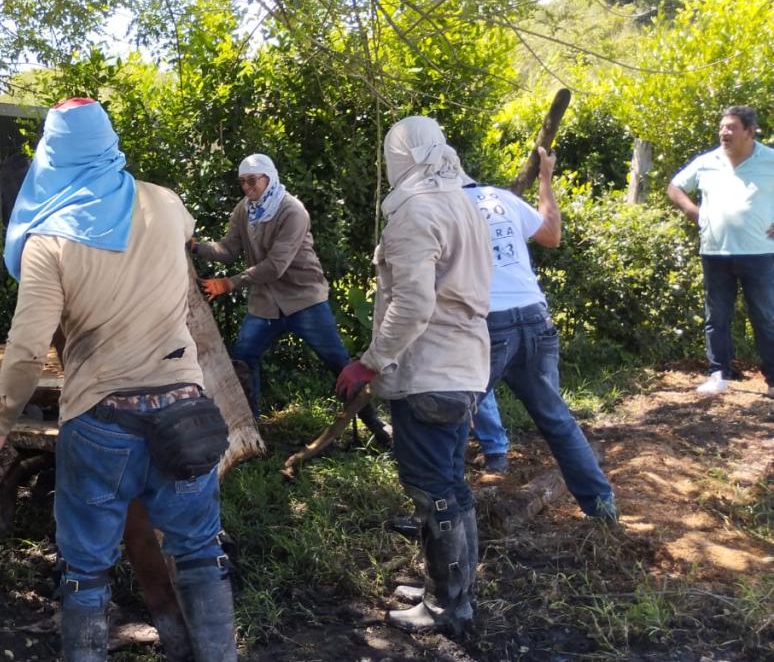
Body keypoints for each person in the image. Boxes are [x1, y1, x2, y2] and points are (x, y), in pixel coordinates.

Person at [0, 99, 236, 661]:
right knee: (200, 552)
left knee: (86, 567)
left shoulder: (48, 241)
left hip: (100, 420)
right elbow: (186, 238)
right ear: (108, 142)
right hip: (184, 409)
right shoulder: (166, 204)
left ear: (52, 154)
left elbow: (26, 348)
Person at [334, 116, 491, 636]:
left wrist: (370, 360)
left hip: (428, 370)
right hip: (465, 368)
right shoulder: (464, 204)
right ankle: (449, 589)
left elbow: (414, 302)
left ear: (399, 156)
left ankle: (449, 607)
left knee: (434, 491)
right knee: (451, 485)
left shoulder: (415, 213)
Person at [462, 148, 618, 521]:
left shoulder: (446, 206)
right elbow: (551, 234)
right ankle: (602, 507)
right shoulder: (502, 198)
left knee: (453, 419)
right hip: (535, 318)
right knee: (556, 418)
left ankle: (443, 515)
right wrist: (546, 180)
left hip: (488, 324)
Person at [192, 154, 390, 438]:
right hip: (266, 304)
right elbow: (228, 249)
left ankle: (376, 426)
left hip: (304, 299)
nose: (247, 187)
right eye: (242, 182)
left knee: (337, 361)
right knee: (244, 360)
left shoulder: (291, 211)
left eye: (252, 181)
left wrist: (229, 284)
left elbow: (275, 266)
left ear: (268, 179)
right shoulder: (244, 210)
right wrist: (196, 246)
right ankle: (250, 430)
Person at [667, 105, 774, 397]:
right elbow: (675, 187)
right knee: (717, 317)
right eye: (722, 127)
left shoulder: (769, 159)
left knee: (766, 316)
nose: (724, 132)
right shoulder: (707, 162)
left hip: (760, 253)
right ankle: (718, 374)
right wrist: (693, 212)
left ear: (749, 132)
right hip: (715, 252)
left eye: (731, 127)